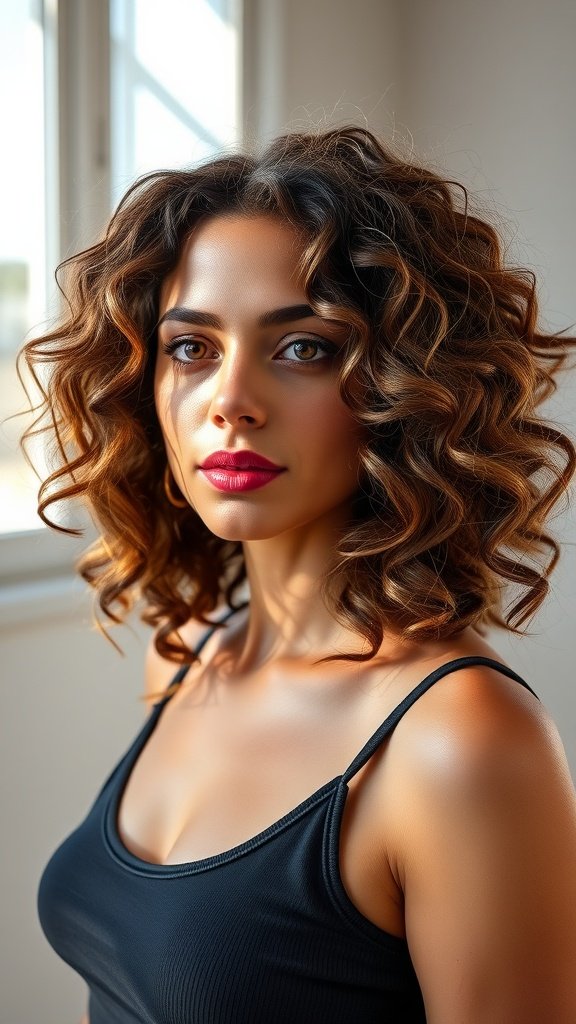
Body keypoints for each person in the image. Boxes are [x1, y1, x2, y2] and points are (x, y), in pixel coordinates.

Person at [25, 125, 576, 1023]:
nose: (231, 402)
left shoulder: (461, 740)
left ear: (400, 385)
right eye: (192, 348)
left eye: (304, 348)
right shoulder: (187, 654)